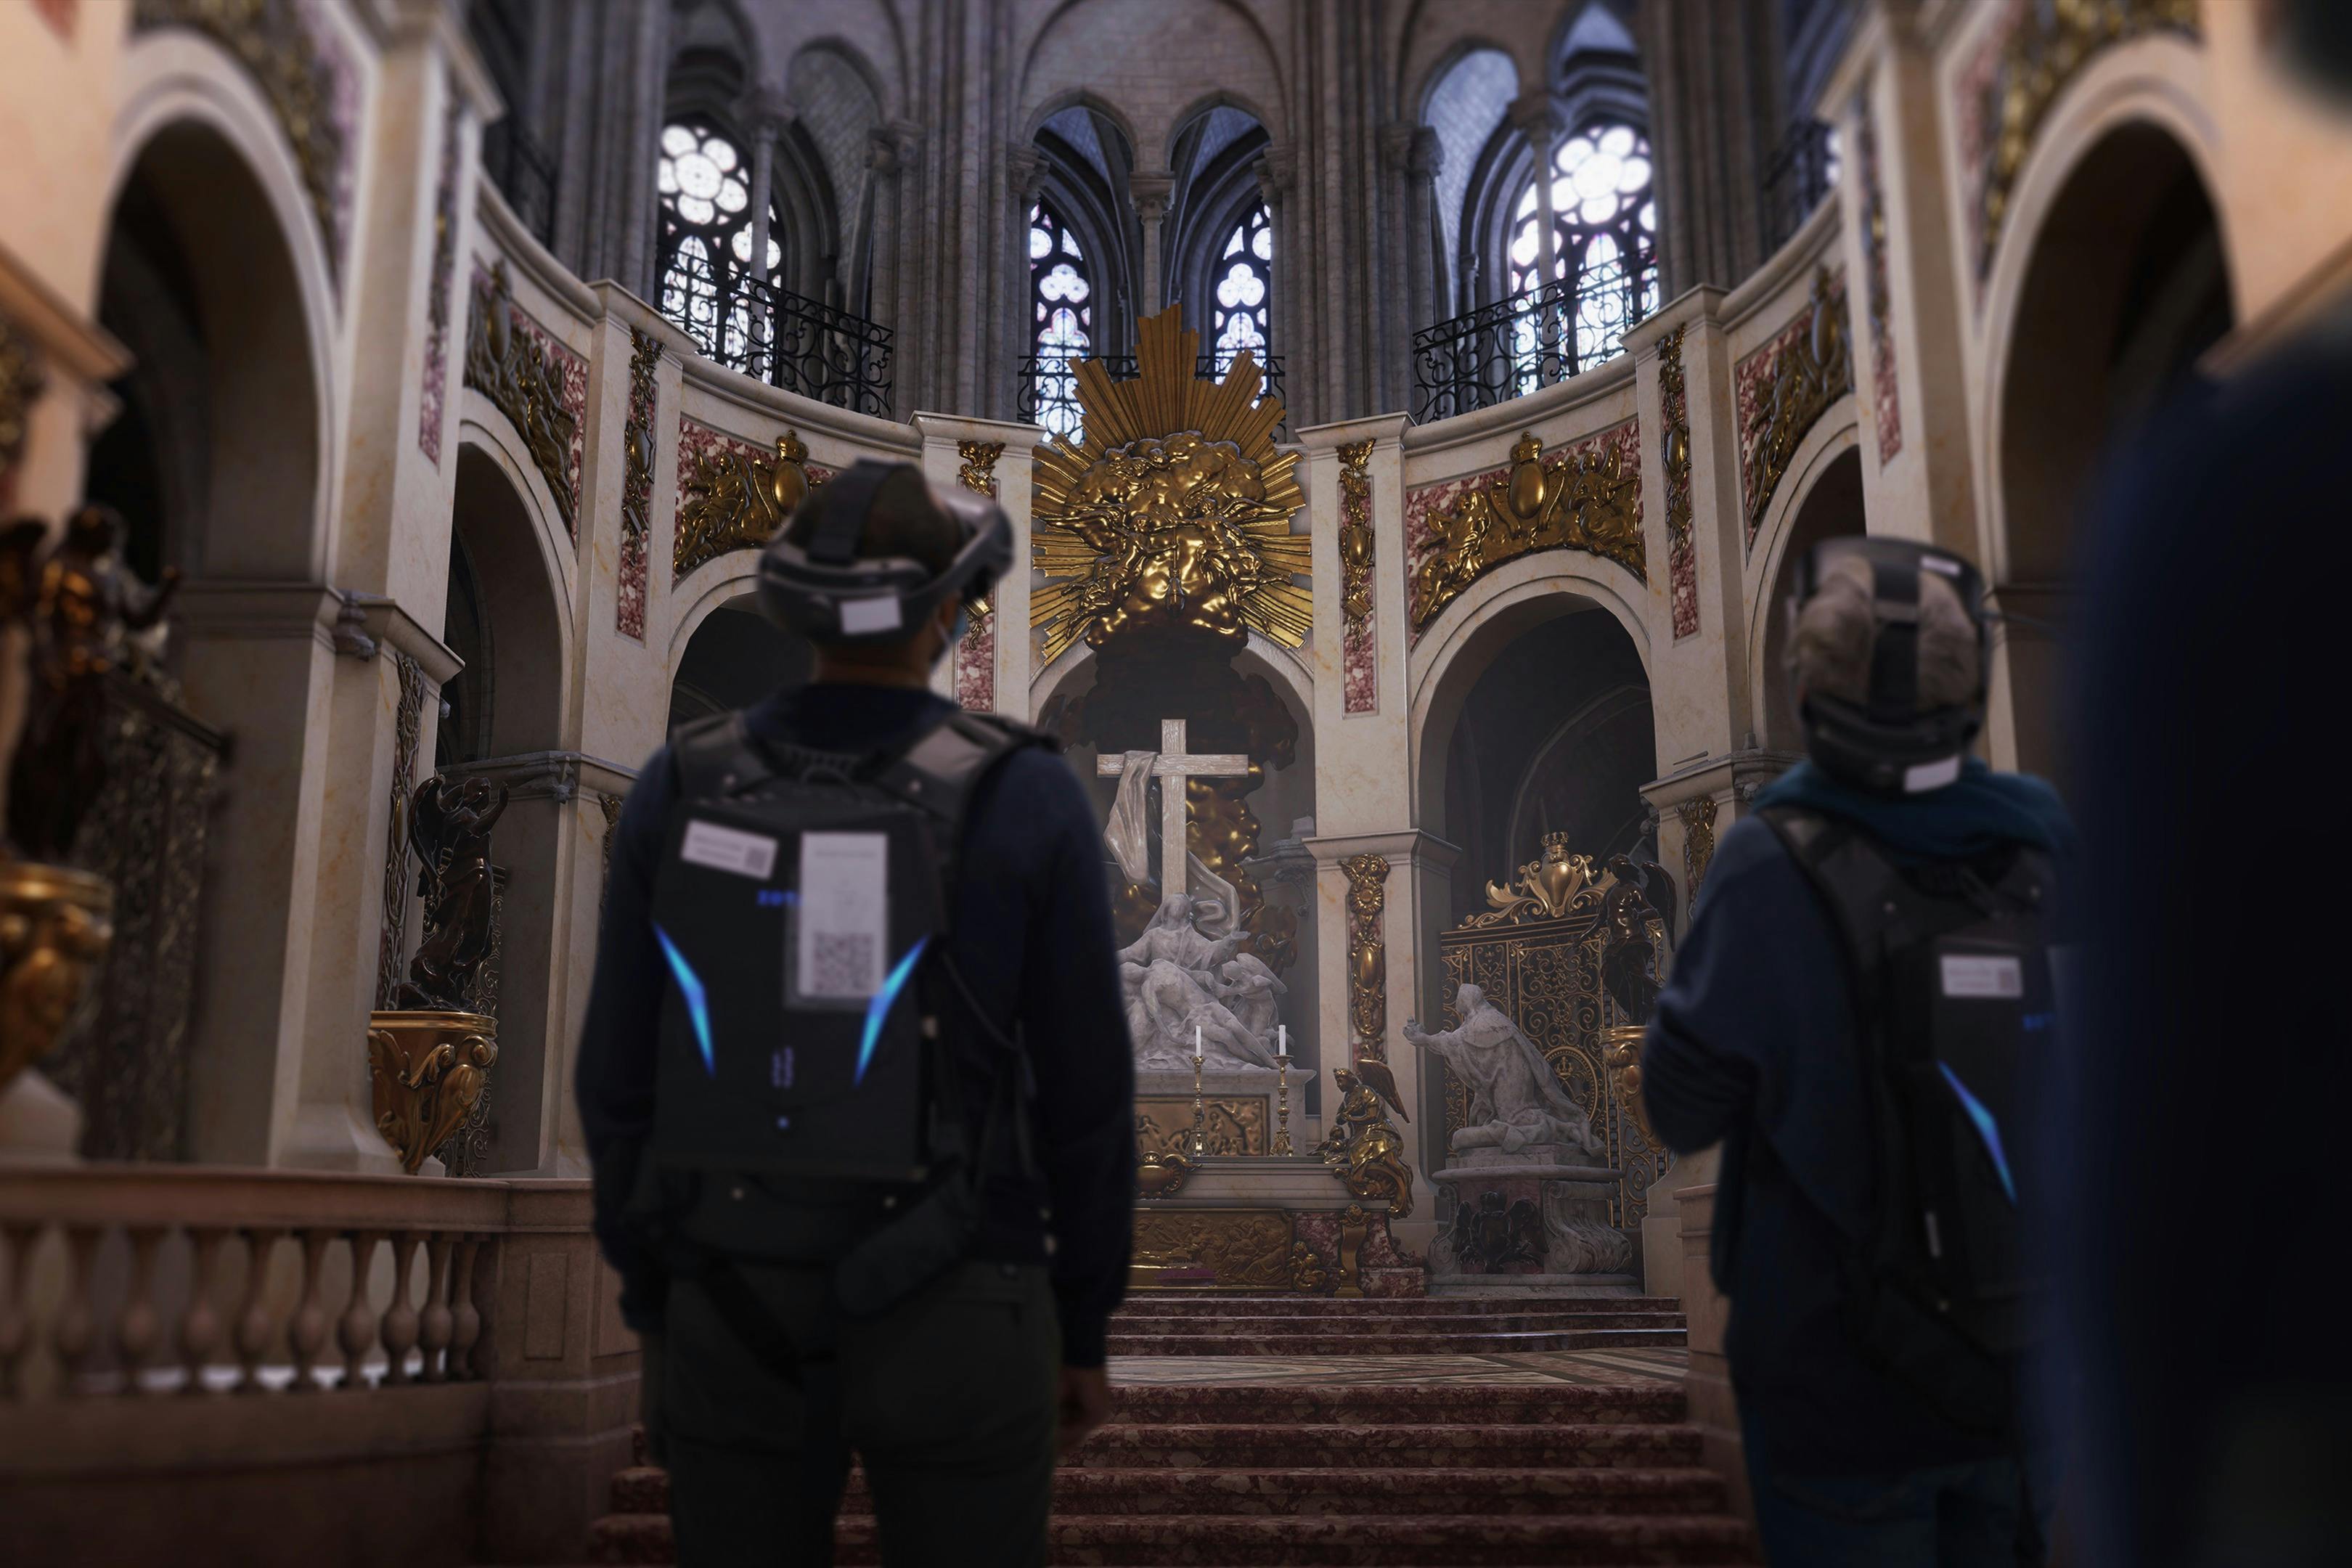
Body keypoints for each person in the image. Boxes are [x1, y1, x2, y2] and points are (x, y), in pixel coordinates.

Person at [576, 460, 1134, 1567]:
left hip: (729, 1292)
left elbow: (617, 1076)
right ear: (946, 610)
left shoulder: (682, 784)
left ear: (799, 605)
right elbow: (1088, 1092)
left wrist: (655, 1291)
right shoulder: (1027, 790)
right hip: (968, 1296)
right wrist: (1082, 1320)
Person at [1641, 539, 2075, 1567]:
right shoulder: (2046, 839)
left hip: (1838, 1375)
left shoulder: (1769, 854)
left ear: (1806, 688)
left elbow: (1681, 1105)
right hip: (2024, 1355)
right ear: (1968, 692)